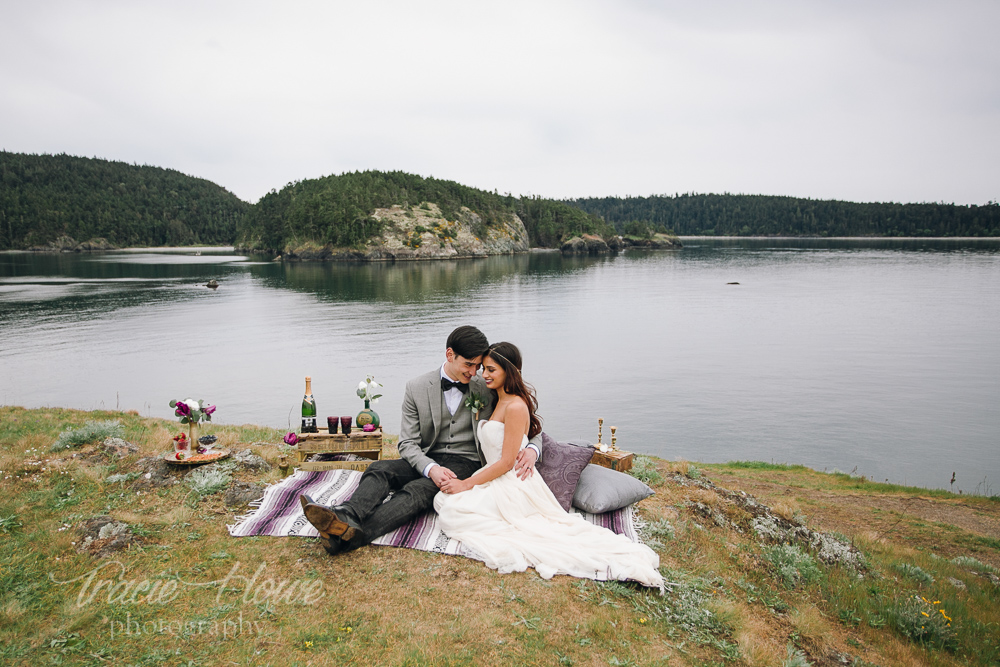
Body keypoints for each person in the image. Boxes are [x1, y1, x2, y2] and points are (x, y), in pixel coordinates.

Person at [434, 342, 664, 590]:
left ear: (509, 371)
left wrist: (466, 484)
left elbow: (507, 462)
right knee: (446, 503)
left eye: (491, 370)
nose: (485, 375)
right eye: (484, 369)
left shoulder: (515, 406)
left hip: (511, 482)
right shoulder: (496, 398)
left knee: (455, 511)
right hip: (494, 476)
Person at [300, 326, 542, 556]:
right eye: (469, 364)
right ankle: (345, 515)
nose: (475, 372)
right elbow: (407, 443)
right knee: (379, 468)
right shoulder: (416, 388)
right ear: (450, 354)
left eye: (479, 366)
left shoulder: (488, 385)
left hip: (467, 462)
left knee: (417, 491)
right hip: (428, 456)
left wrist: (532, 448)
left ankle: (351, 537)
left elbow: (527, 421)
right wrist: (430, 468)